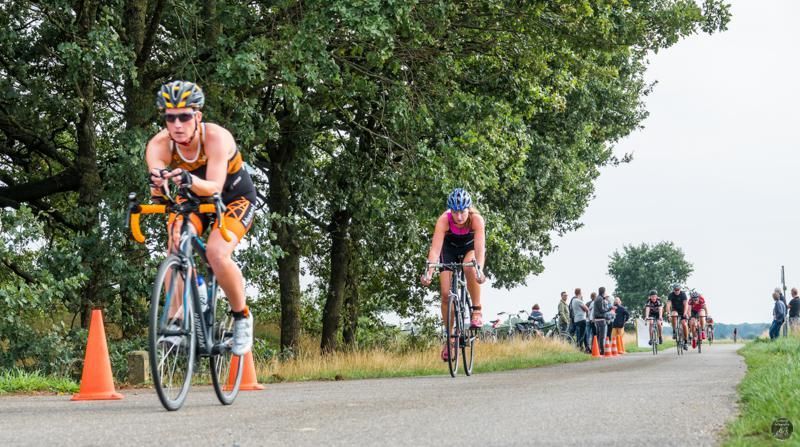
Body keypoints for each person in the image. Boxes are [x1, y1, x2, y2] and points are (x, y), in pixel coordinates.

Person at [145, 80, 256, 355]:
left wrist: (187, 178)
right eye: (170, 118)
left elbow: (215, 187)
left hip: (233, 198)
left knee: (217, 253)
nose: (177, 124)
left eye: (184, 116)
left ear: (198, 116)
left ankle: (242, 316)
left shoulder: (216, 138)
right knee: (175, 242)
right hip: (194, 198)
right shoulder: (159, 145)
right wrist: (158, 186)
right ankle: (177, 320)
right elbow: (159, 191)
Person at [420, 188, 486, 361]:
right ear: (451, 211)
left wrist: (480, 270)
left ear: (468, 209)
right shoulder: (444, 220)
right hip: (448, 250)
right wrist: (428, 273)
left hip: (469, 249)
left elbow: (480, 249)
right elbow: (435, 250)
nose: (459, 216)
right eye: (455, 212)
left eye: (462, 212)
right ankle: (449, 339)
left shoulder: (476, 219)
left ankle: (477, 310)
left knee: (469, 267)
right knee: (445, 294)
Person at [665, 284, 689, 350]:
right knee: (674, 315)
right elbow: (668, 305)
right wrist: (668, 313)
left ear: (680, 289)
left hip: (683, 310)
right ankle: (674, 331)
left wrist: (685, 313)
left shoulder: (683, 294)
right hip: (675, 309)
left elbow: (686, 304)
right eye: (675, 290)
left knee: (684, 324)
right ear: (673, 290)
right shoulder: (671, 295)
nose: (677, 291)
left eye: (678, 290)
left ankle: (686, 342)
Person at [570, 288, 591, 353]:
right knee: (582, 335)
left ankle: (587, 348)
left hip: (576, 319)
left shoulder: (573, 300)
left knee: (584, 334)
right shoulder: (578, 301)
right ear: (580, 293)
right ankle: (579, 348)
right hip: (581, 319)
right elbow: (586, 309)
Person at [593, 287, 609, 354]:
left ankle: (599, 349)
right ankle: (602, 350)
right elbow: (602, 310)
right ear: (603, 292)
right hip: (601, 319)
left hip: (597, 319)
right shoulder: (600, 299)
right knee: (602, 336)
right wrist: (609, 308)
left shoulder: (597, 298)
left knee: (599, 335)